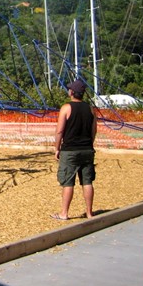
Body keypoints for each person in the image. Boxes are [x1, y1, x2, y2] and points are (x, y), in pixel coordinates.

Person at [51, 79, 97, 220]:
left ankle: (64, 213)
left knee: (68, 182)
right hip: (87, 149)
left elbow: (59, 131)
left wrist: (56, 148)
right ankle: (89, 213)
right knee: (87, 182)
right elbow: (94, 130)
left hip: (70, 150)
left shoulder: (66, 108)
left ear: (72, 92)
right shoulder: (90, 109)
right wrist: (89, 144)